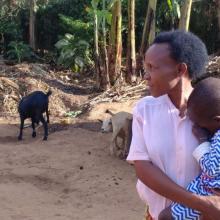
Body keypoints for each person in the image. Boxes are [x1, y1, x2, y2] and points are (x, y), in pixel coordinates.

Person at [126, 30, 220, 220]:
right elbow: (143, 168)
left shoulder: (210, 109)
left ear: (180, 70)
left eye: (152, 67)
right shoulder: (145, 110)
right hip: (158, 214)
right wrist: (201, 203)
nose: (146, 76)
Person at [158, 77, 220, 220]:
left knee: (165, 217)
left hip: (209, 192)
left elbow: (211, 169)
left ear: (217, 120)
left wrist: (202, 140)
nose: (196, 126)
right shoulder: (215, 126)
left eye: (199, 123)